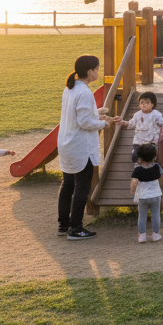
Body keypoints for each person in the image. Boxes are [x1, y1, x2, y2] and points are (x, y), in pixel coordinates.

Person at [58, 55, 118, 240]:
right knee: (81, 188)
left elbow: (78, 114)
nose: (98, 72)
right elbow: (84, 122)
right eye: (97, 69)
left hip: (67, 143)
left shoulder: (71, 88)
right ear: (90, 71)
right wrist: (104, 124)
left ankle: (64, 224)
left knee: (67, 185)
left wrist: (98, 113)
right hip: (80, 147)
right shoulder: (84, 92)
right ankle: (75, 228)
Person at [130, 143, 163, 243]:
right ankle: (156, 234)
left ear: (140, 158)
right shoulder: (157, 167)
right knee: (156, 215)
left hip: (143, 197)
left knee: (142, 216)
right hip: (156, 195)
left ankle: (142, 235)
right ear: (154, 157)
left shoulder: (137, 170)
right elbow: (160, 176)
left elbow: (134, 183)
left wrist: (133, 191)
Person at [122, 92, 163, 163]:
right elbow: (131, 123)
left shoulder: (155, 114)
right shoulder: (137, 115)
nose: (144, 104)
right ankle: (137, 159)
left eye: (147, 102)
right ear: (139, 104)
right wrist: (123, 122)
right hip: (138, 141)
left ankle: (150, 166)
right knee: (135, 158)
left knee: (149, 157)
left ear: (152, 104)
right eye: (142, 102)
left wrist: (162, 127)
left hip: (150, 141)